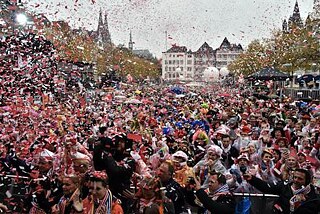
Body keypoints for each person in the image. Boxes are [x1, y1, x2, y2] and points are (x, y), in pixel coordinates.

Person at [244, 168, 320, 214]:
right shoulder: (284, 186)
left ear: (307, 181)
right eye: (295, 177)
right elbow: (267, 187)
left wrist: (300, 204)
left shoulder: (313, 194)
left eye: (300, 179)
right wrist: (252, 179)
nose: (296, 180)